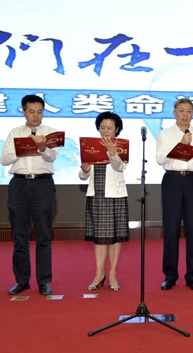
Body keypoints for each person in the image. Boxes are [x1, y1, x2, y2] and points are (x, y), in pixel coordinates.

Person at [0, 95, 58, 296]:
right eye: (31, 111)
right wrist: (24, 148)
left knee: (43, 236)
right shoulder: (15, 132)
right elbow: (4, 159)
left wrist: (41, 147)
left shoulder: (49, 132)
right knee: (20, 236)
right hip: (19, 184)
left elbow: (52, 156)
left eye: (39, 111)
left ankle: (44, 281)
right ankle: (22, 280)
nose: (36, 115)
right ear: (23, 111)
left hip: (43, 183)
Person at [155, 98, 193, 291]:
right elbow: (160, 159)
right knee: (171, 229)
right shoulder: (165, 134)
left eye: (189, 111)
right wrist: (181, 143)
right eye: (182, 110)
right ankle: (170, 276)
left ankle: (192, 276)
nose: (185, 114)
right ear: (174, 113)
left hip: (192, 180)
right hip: (172, 180)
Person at [79, 112, 129, 292]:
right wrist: (84, 170)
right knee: (99, 239)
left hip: (115, 195)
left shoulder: (121, 146)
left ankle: (112, 274)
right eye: (102, 127)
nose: (105, 131)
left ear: (116, 129)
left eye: (109, 128)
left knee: (115, 237)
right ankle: (99, 274)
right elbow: (83, 176)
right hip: (97, 195)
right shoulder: (90, 146)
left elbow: (120, 167)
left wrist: (113, 152)